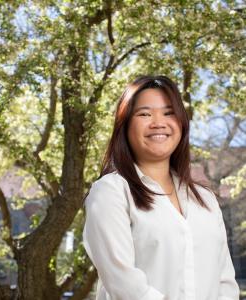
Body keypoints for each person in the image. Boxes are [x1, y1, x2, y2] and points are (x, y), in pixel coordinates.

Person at [82, 75, 240, 300]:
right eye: (145, 114)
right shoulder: (111, 192)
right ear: (125, 125)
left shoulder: (204, 199)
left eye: (169, 113)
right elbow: (124, 284)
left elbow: (225, 282)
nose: (158, 122)